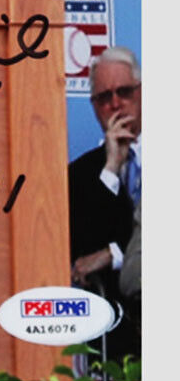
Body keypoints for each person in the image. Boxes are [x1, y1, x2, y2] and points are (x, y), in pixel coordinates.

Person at [67, 44, 141, 360]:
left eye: (124, 92)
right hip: (114, 342)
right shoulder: (80, 175)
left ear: (140, 93)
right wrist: (111, 168)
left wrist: (113, 254)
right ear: (94, 107)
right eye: (103, 98)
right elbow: (82, 254)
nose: (115, 104)